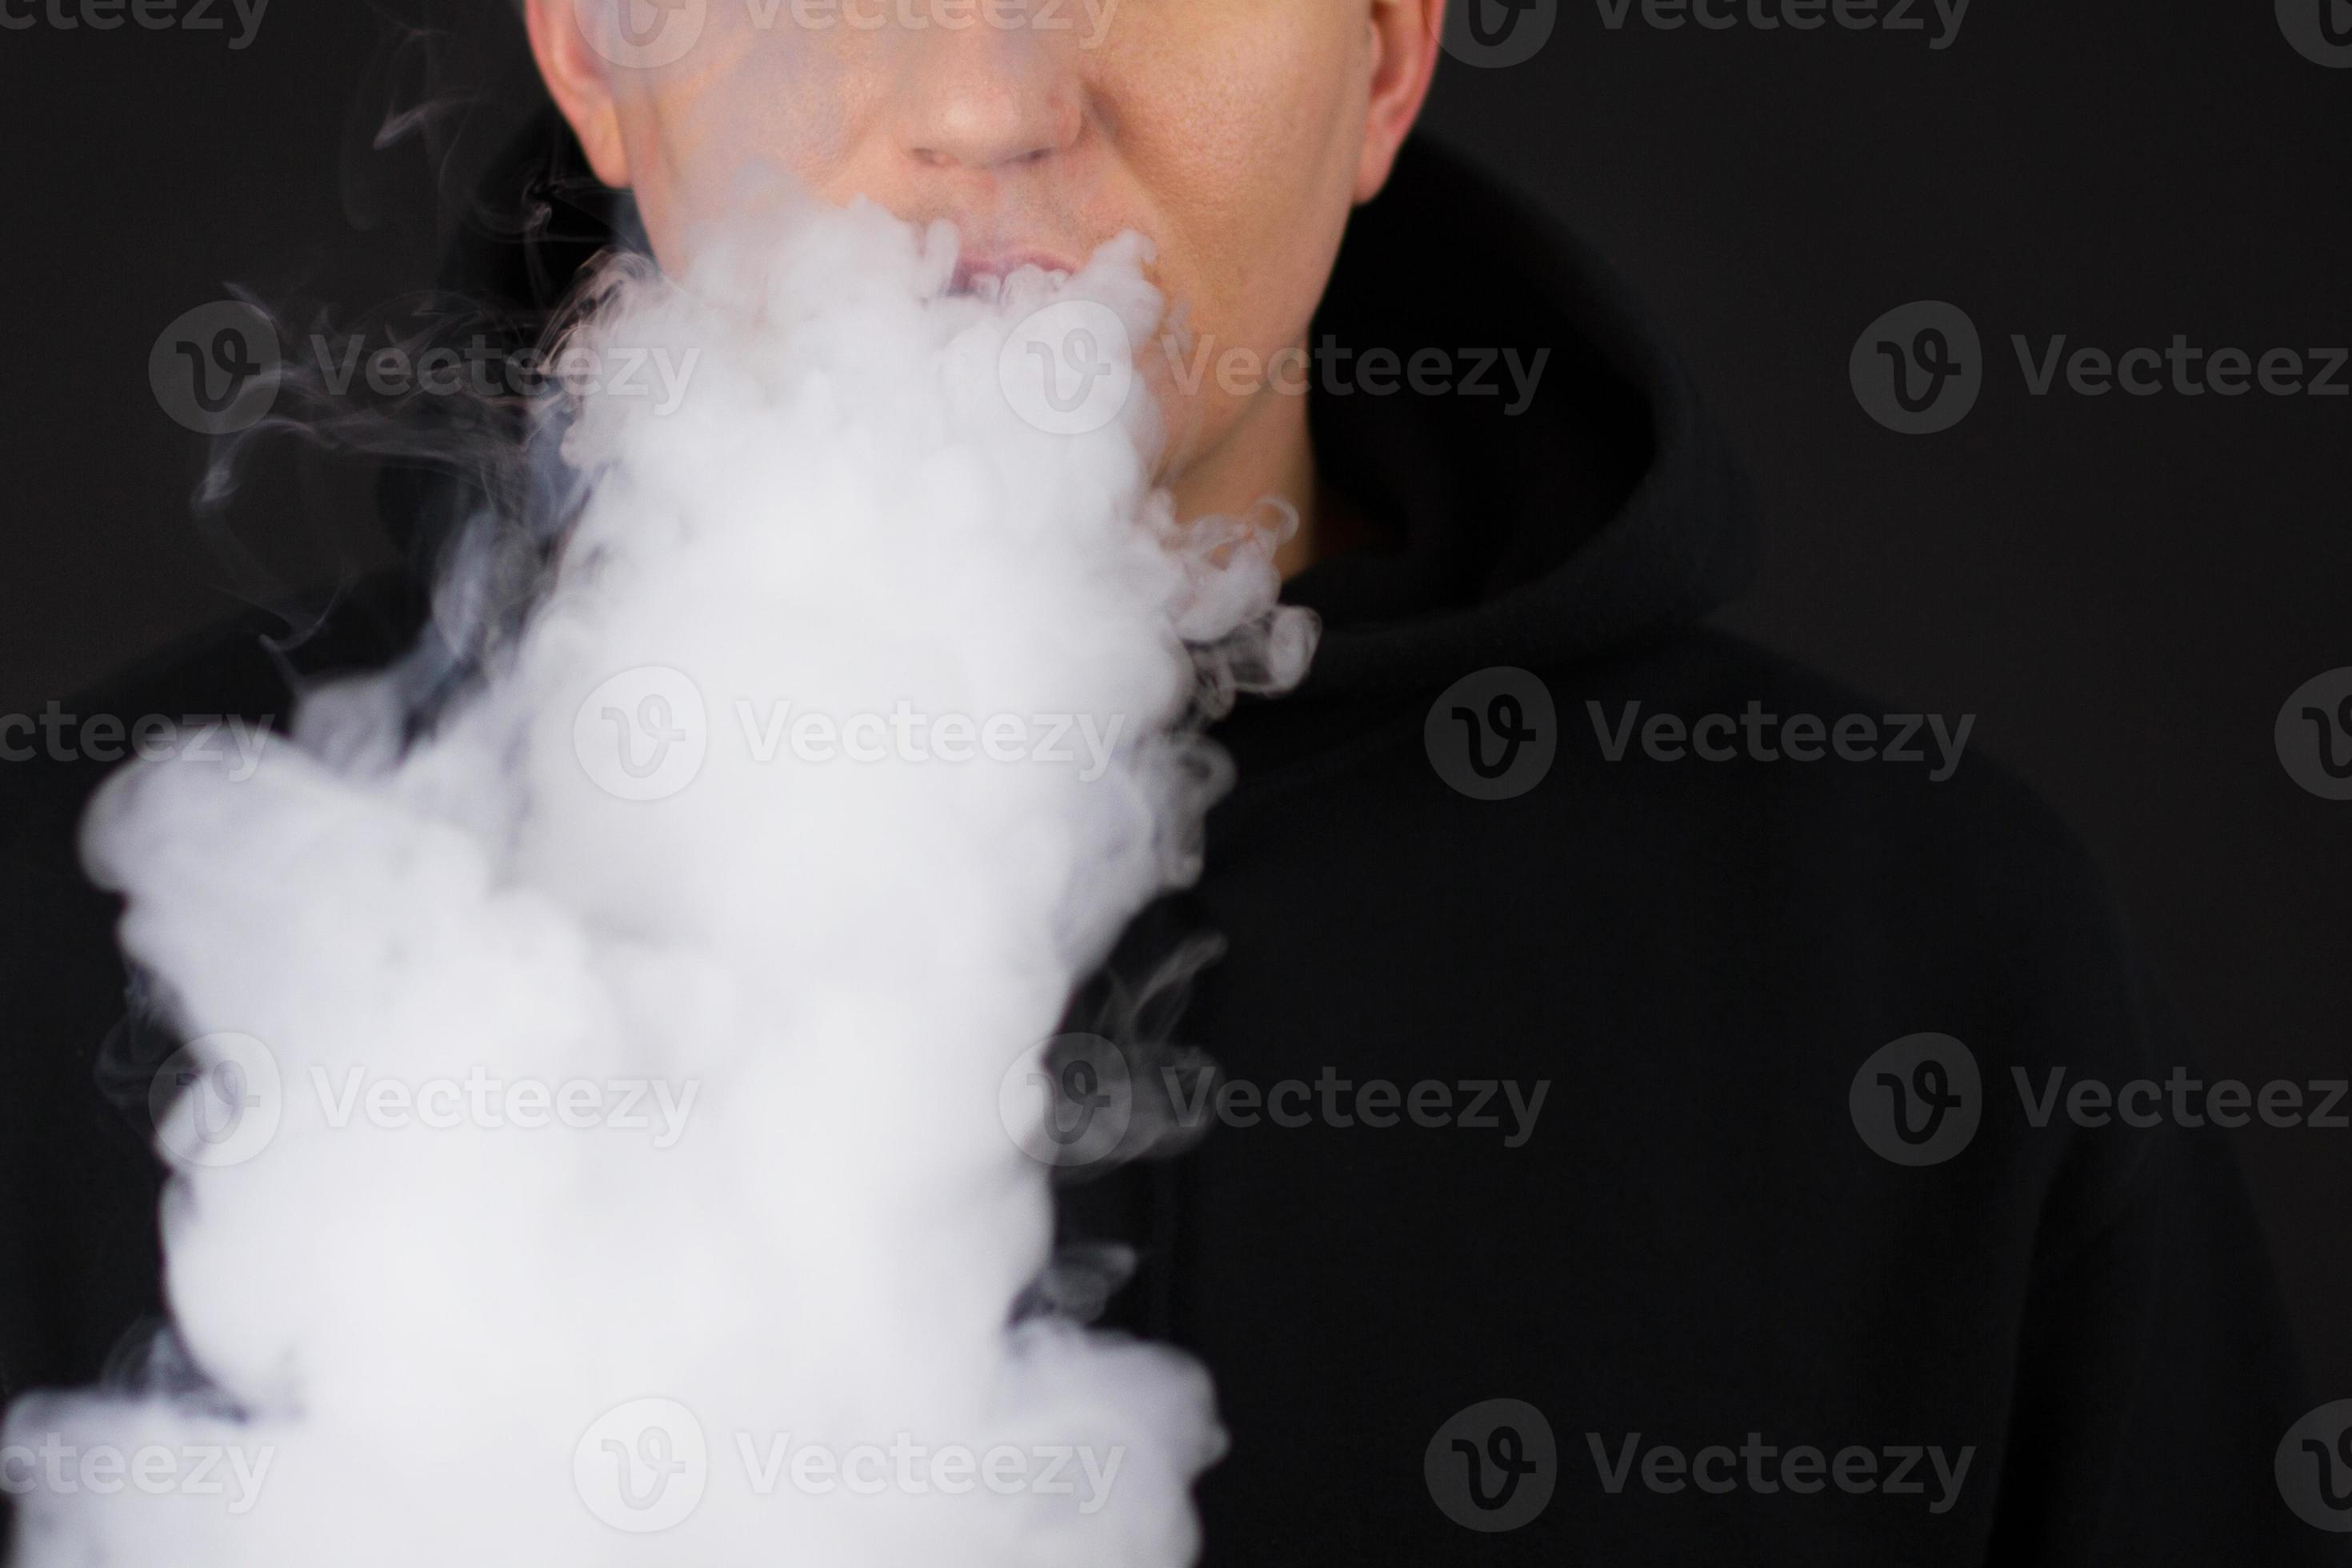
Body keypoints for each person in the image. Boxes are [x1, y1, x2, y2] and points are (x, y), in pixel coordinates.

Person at [0, 1, 2330, 1560]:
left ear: (1389, 51)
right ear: (599, 50)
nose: (992, 97)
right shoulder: (91, 931)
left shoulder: (1913, 965)